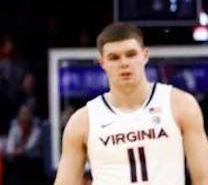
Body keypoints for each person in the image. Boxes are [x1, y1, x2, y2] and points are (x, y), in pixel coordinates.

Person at [53, 22, 208, 184]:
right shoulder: (82, 121)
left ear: (145, 55)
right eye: (114, 57)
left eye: (131, 54)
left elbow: (203, 179)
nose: (124, 63)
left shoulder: (180, 104)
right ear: (102, 63)